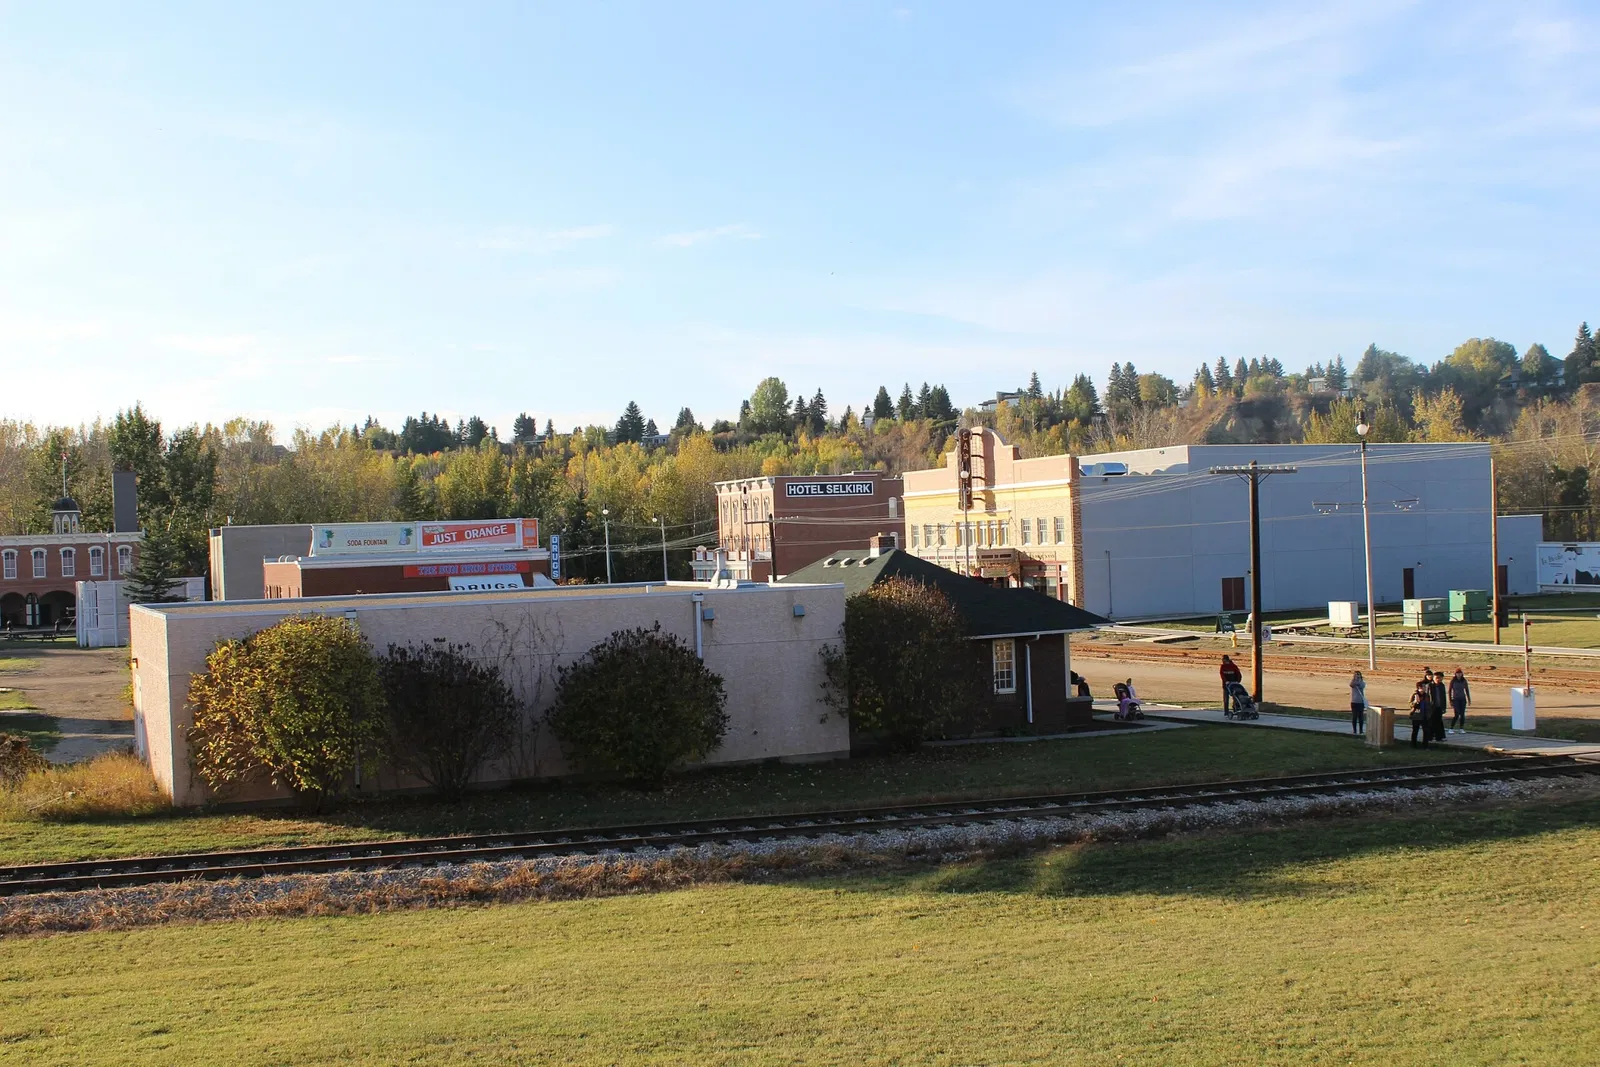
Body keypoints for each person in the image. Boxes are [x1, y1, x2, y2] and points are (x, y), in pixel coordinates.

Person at [1427, 669, 1448, 742]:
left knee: (1438, 722)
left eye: (1440, 678)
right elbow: (1427, 697)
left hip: (1439, 707)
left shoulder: (1442, 686)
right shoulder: (1429, 686)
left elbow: (1444, 697)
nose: (1438, 679)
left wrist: (1444, 707)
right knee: (1431, 722)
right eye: (1436, 678)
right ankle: (1429, 737)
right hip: (1431, 707)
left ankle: (1439, 737)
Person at [1449, 668, 1471, 733]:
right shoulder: (1453, 681)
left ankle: (1461, 728)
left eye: (1460, 673)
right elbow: (1450, 691)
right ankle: (1451, 728)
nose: (1459, 675)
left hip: (1462, 699)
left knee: (1462, 714)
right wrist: (1450, 700)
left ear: (1462, 674)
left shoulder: (1464, 681)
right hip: (1456, 699)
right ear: (1455, 674)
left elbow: (1467, 690)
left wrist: (1469, 699)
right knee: (1456, 714)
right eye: (1457, 673)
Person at [1409, 683, 1431, 748]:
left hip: (1425, 715)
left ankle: (1425, 746)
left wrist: (1429, 713)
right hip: (1416, 715)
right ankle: (1413, 745)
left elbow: (1428, 704)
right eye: (1424, 687)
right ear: (1420, 688)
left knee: (1426, 731)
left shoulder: (1426, 695)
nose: (1425, 688)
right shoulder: (1414, 695)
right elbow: (1410, 705)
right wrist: (1415, 702)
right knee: (1415, 731)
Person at [1349, 670, 1367, 735]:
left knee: (1360, 717)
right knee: (1354, 717)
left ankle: (1361, 731)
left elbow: (1361, 686)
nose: (1357, 675)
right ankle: (1354, 731)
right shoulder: (1353, 682)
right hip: (1354, 702)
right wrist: (1355, 679)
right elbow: (1351, 685)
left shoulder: (1362, 682)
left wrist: (1358, 680)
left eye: (1358, 674)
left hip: (1360, 702)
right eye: (1356, 674)